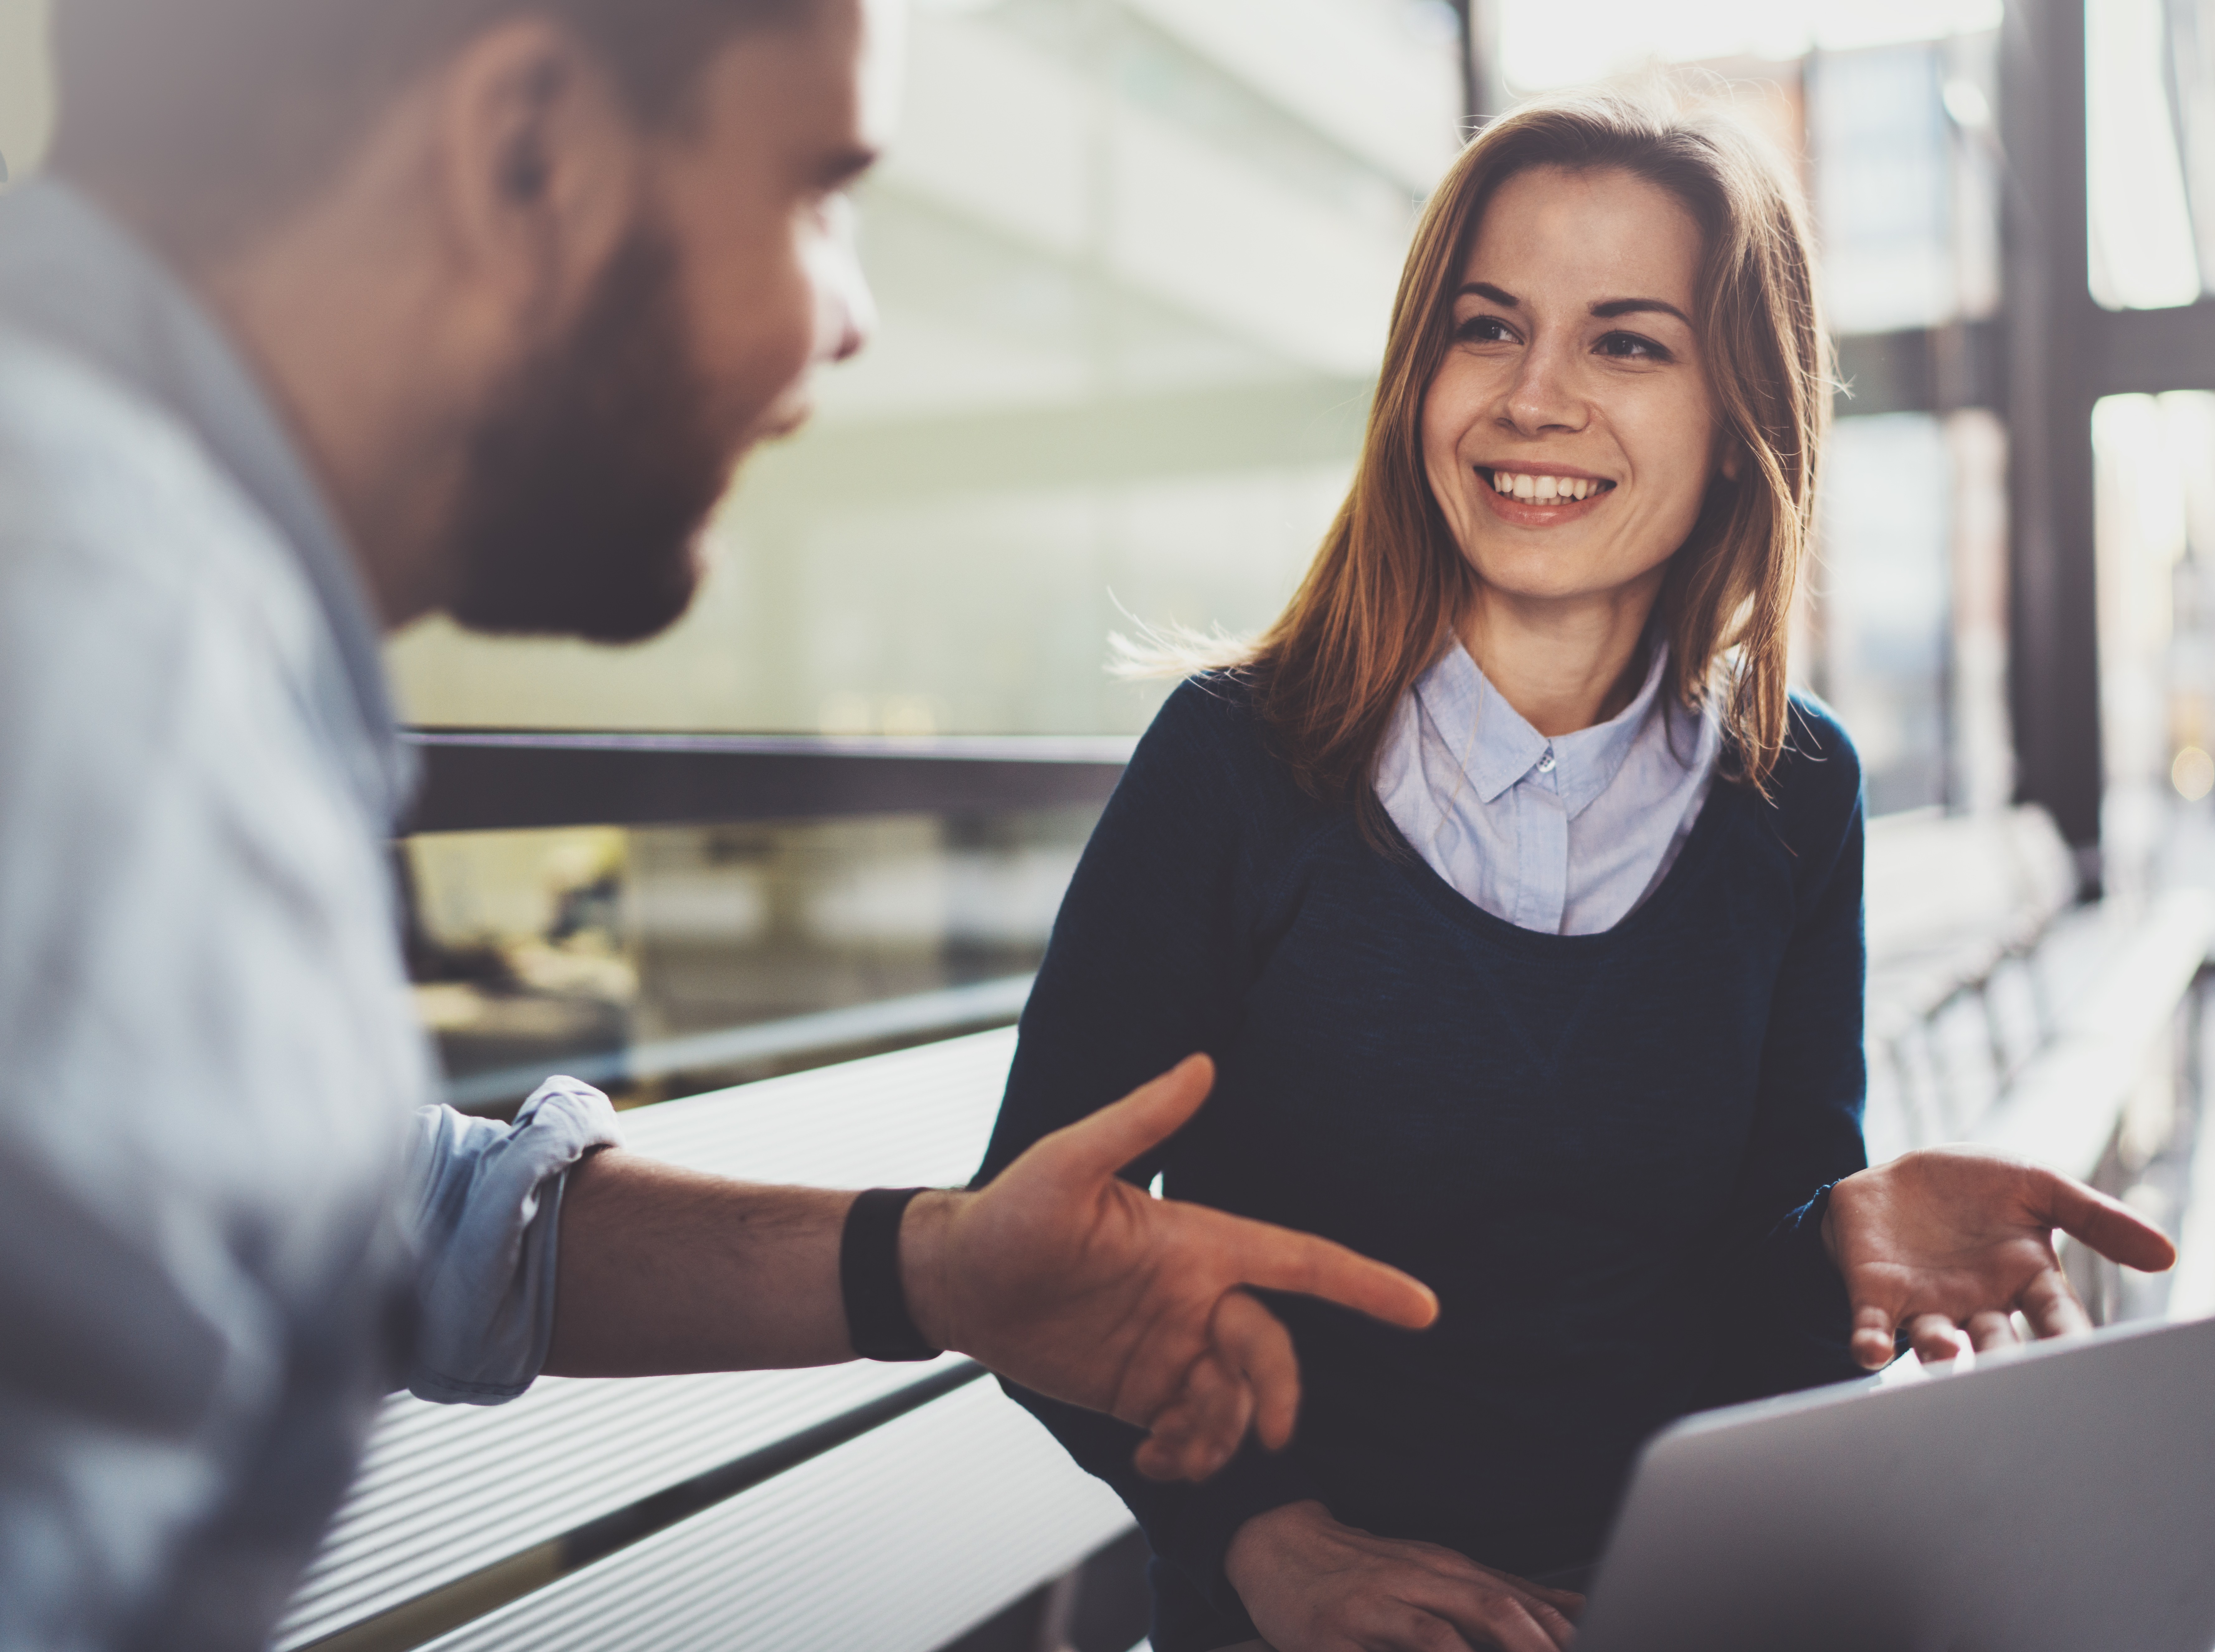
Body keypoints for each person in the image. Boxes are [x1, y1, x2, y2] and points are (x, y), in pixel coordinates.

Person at [0, 3, 1448, 1648]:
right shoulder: (111, 689)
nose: (851, 321)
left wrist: (937, 1267)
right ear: (529, 155)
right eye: (819, 193)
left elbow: (366, 1210)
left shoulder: (139, 600)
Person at [975, 90, 2180, 1652]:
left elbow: (1747, 1275)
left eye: (1625, 342)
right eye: (1488, 328)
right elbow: (1023, 1261)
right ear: (1420, 377)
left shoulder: (1794, 794)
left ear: (1739, 420)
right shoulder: (1231, 766)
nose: (1534, 398)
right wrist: (1267, 1549)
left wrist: (1838, 1243)